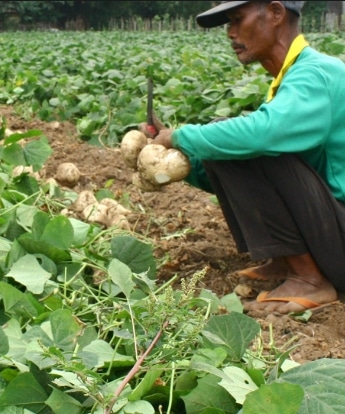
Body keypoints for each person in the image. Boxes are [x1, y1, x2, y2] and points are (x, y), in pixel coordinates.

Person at [146, 1, 344, 314]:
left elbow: (261, 136)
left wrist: (182, 136)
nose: (231, 33)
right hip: (333, 232)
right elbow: (249, 179)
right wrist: (179, 161)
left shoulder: (315, 74)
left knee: (242, 139)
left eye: (238, 20)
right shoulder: (292, 79)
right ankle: (284, 261)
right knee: (227, 141)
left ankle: (309, 279)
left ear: (276, 13)